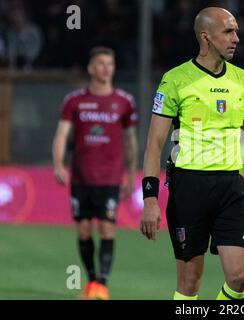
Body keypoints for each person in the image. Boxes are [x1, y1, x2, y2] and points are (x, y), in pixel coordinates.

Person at [140, 7, 244, 300]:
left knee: (239, 279)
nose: (237, 38)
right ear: (206, 36)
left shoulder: (243, 80)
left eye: (236, 31)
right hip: (189, 186)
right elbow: (154, 143)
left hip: (231, 186)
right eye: (228, 31)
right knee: (189, 284)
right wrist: (150, 199)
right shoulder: (176, 80)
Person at [52, 46, 138, 300]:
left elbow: (130, 140)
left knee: (108, 228)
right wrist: (58, 163)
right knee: (84, 230)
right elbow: (61, 134)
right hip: (81, 176)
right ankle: (91, 281)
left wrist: (132, 174)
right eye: (100, 63)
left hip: (110, 177)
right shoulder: (75, 100)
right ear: (91, 68)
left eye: (109, 64)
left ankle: (102, 283)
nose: (106, 68)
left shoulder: (124, 101)